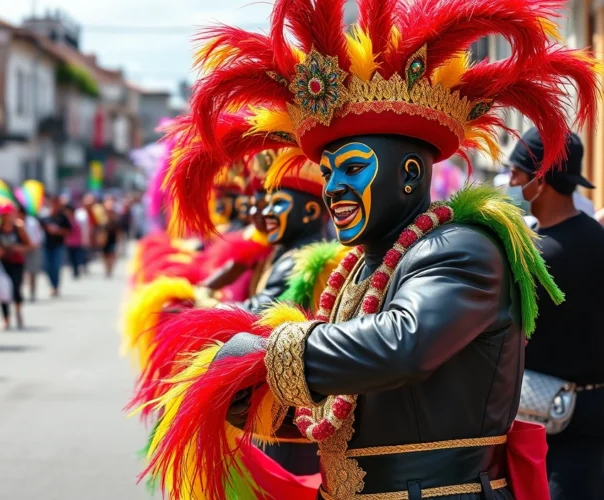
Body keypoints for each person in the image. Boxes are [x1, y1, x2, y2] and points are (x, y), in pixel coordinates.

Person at [141, 0, 599, 497]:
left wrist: (268, 353)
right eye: (328, 172)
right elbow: (346, 414)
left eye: (353, 168)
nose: (333, 188)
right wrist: (255, 400)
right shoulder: (360, 270)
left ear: (410, 175)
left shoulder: (460, 248)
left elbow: (402, 345)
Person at [508, 129, 604, 500]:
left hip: (546, 423)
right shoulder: (596, 238)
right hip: (592, 420)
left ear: (541, 179)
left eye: (517, 172)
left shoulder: (536, 258)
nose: (511, 182)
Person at [0, 205, 32, 329]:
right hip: (2, 264)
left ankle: (18, 311)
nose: (6, 217)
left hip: (17, 262)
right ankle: (6, 318)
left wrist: (19, 248)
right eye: (4, 215)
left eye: (8, 214)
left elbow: (28, 245)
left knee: (16, 288)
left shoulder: (18, 227)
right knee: (2, 290)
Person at [41, 197, 71, 297]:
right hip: (46, 245)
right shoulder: (45, 217)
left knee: (56, 266)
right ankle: (52, 285)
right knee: (47, 266)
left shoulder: (62, 217)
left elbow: (68, 231)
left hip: (58, 245)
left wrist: (58, 231)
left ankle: (55, 286)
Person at [21, 205, 44, 302]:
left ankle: (32, 293)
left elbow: (39, 235)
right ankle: (19, 293)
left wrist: (35, 245)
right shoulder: (15, 223)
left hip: (34, 249)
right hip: (21, 250)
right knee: (21, 273)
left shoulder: (32, 222)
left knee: (33, 272)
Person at [64, 202, 86, 280]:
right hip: (69, 242)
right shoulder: (66, 220)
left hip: (76, 242)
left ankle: (76, 271)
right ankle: (75, 271)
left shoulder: (76, 220)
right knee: (71, 258)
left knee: (76, 258)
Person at [101, 197, 120, 278]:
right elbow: (100, 231)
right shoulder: (103, 221)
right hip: (104, 241)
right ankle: (107, 269)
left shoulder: (115, 221)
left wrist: (119, 242)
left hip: (112, 240)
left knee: (111, 255)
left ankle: (110, 269)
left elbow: (118, 233)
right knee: (105, 256)